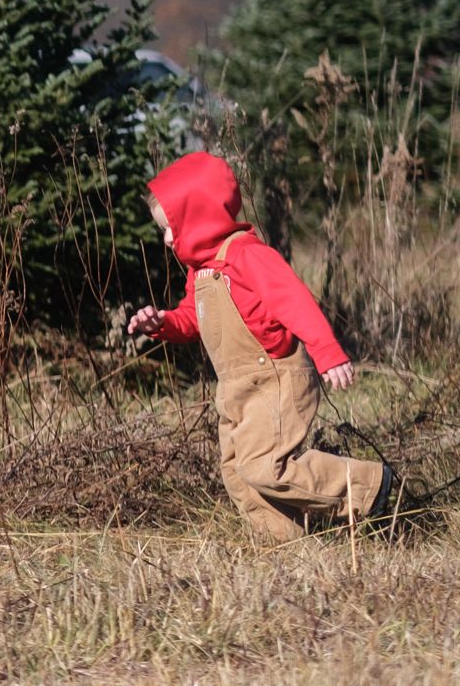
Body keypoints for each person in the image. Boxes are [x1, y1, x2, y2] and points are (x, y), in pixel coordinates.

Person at [127, 149, 398, 539]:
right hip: (236, 389)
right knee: (238, 474)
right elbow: (194, 317)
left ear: (198, 216)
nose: (167, 239)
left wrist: (327, 353)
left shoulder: (247, 256)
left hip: (276, 377)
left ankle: (370, 488)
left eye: (171, 227)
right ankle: (286, 547)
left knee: (264, 466)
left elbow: (295, 302)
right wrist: (163, 323)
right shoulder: (200, 270)